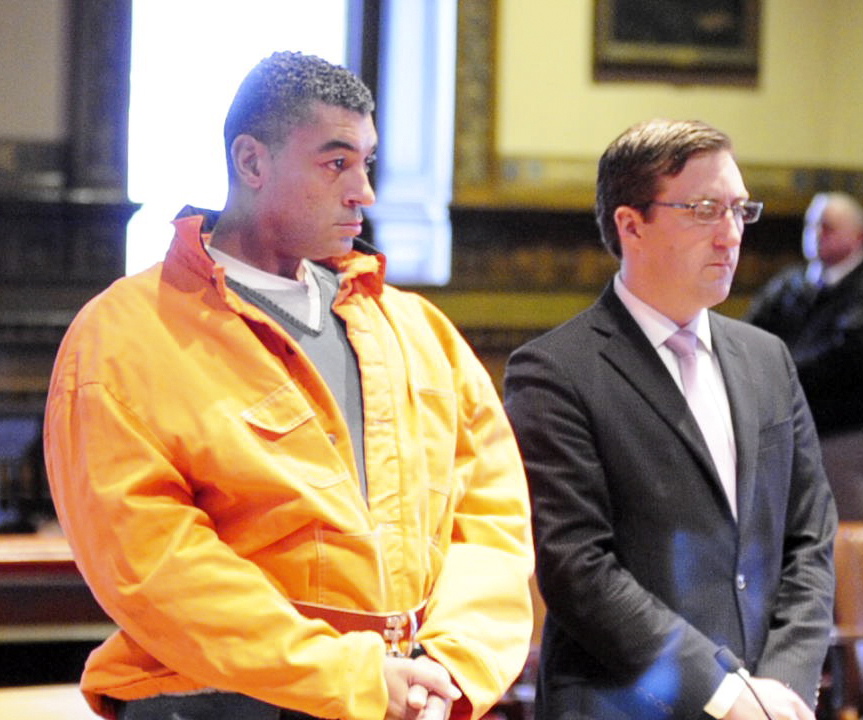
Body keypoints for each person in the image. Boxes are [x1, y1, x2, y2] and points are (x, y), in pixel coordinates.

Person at [43, 51, 534, 720]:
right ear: (251, 162)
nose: (363, 190)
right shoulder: (126, 333)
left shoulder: (417, 329)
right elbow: (154, 563)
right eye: (336, 163)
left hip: (416, 694)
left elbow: (491, 521)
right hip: (215, 700)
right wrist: (349, 675)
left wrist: (452, 663)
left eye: (368, 163)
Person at [504, 119, 836, 720]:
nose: (731, 235)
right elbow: (579, 570)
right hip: (625, 704)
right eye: (706, 210)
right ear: (631, 225)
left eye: (740, 210)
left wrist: (783, 681)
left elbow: (809, 536)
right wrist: (725, 694)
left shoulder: (768, 359)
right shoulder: (553, 372)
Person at [746, 192, 863, 518]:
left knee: (835, 530)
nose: (815, 234)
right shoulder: (789, 285)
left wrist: (781, 374)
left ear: (857, 237)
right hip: (781, 427)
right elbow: (750, 336)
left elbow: (847, 356)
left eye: (827, 227)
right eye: (811, 225)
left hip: (841, 431)